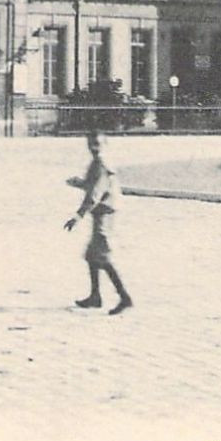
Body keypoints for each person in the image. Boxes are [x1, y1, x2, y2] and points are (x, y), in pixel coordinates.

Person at [64, 130, 131, 315]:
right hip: (103, 210)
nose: (94, 147)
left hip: (105, 212)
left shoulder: (101, 164)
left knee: (102, 256)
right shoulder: (98, 163)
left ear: (105, 145)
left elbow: (95, 195)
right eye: (91, 143)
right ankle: (95, 296)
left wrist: (77, 216)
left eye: (98, 144)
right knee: (92, 255)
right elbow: (93, 187)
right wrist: (80, 183)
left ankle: (124, 297)